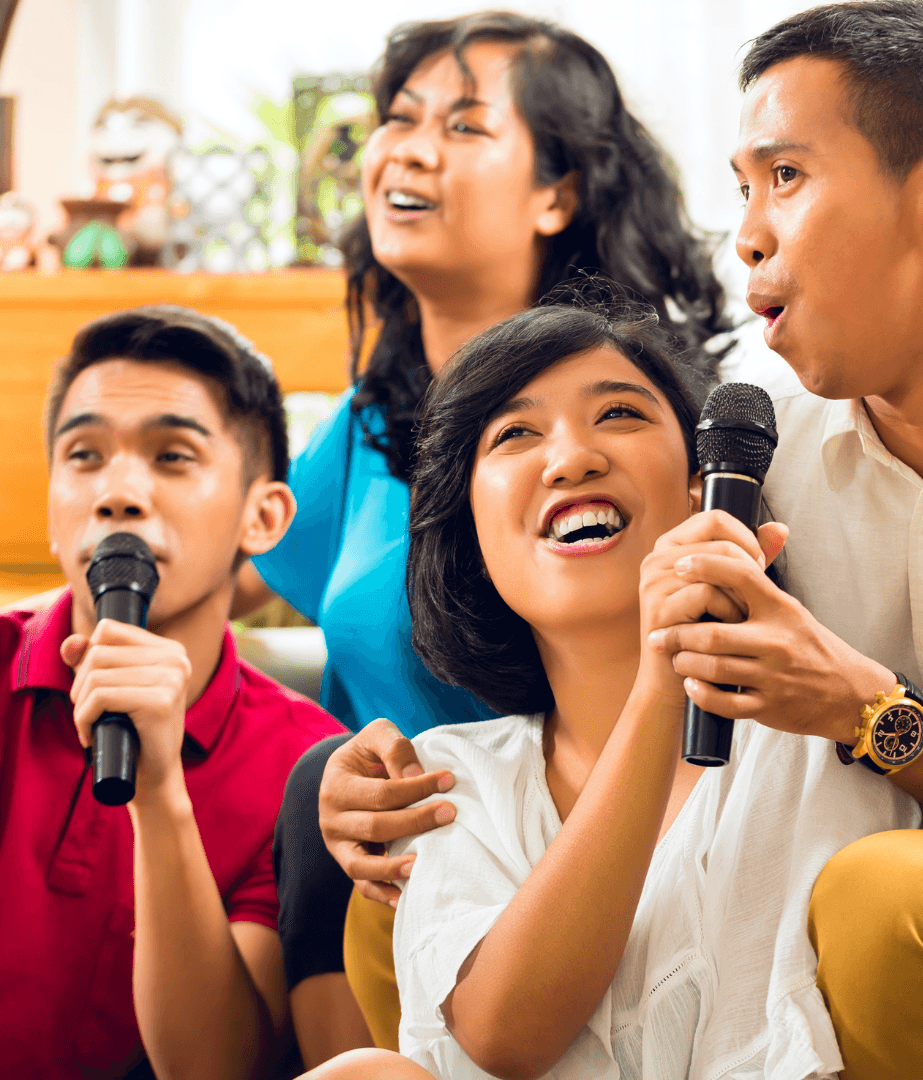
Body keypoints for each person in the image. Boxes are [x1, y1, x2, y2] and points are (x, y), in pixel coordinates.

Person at [320, 3, 923, 1077]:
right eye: (741, 188)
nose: (746, 234)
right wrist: (366, 777)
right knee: (405, 909)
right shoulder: (748, 435)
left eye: (785, 177)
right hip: (822, 867)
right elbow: (581, 630)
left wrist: (870, 714)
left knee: (887, 905)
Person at [238, 13, 734, 1057]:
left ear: (558, 192)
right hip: (394, 884)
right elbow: (233, 572)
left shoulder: (666, 429)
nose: (408, 148)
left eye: (464, 126)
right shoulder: (369, 419)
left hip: (612, 861)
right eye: (398, 118)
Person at [302, 300, 920, 1080]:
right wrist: (658, 691)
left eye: (620, 414)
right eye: (515, 435)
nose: (572, 458)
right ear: (475, 536)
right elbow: (505, 1035)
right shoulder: (455, 781)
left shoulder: (816, 746)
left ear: (705, 490)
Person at [0, 306, 344, 1080]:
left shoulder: (310, 767)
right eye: (83, 455)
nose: (118, 492)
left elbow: (218, 1066)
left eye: (172, 456)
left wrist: (159, 793)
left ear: (264, 516)